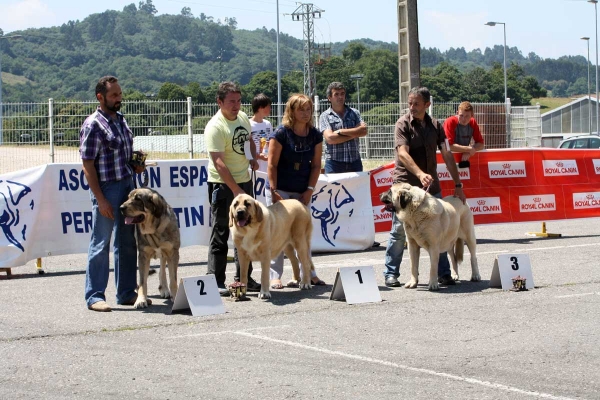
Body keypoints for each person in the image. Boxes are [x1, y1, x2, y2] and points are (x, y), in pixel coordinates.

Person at [384, 86, 467, 288]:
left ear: (427, 105)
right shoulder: (402, 124)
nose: (412, 107)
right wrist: (419, 174)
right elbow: (402, 154)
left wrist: (458, 184)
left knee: (440, 228)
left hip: (430, 186)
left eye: (416, 104)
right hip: (405, 186)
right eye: (410, 103)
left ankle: (444, 274)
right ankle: (391, 273)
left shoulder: (436, 126)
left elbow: (447, 154)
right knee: (399, 231)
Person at [80, 75, 144, 312]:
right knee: (101, 242)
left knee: (127, 242)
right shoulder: (93, 124)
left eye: (119, 94)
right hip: (107, 188)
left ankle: (126, 292)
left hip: (127, 184)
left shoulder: (120, 120)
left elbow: (123, 154)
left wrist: (136, 163)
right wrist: (101, 199)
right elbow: (88, 166)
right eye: (114, 95)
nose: (119, 98)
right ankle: (94, 296)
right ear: (100, 97)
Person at [205, 81, 261, 296]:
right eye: (231, 102)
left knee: (246, 231)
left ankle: (244, 278)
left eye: (238, 101)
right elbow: (218, 163)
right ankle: (215, 280)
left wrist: (252, 158)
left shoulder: (243, 117)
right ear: (219, 102)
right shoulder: (215, 127)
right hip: (222, 185)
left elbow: (249, 141)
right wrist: (236, 190)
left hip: (244, 182)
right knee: (221, 232)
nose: (236, 105)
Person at [266, 93, 325, 289]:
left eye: (308, 109)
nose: (306, 113)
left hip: (302, 191)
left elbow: (316, 166)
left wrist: (309, 190)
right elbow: (272, 165)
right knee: (276, 234)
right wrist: (274, 191)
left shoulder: (315, 135)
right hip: (280, 190)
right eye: (301, 109)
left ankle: (309, 273)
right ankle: (275, 276)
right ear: (291, 111)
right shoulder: (281, 133)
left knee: (302, 235)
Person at [319, 81, 368, 173]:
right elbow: (330, 138)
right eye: (336, 94)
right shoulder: (325, 116)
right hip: (334, 164)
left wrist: (341, 131)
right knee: (333, 188)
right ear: (329, 98)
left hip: (354, 162)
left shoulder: (354, 113)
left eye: (342, 94)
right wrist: (355, 133)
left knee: (356, 188)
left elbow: (364, 131)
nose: (340, 97)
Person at [250, 93, 273, 169]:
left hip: (266, 166)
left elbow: (271, 143)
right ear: (260, 107)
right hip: (253, 167)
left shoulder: (268, 124)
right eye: (268, 106)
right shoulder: (248, 125)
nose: (270, 109)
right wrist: (258, 156)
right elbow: (245, 149)